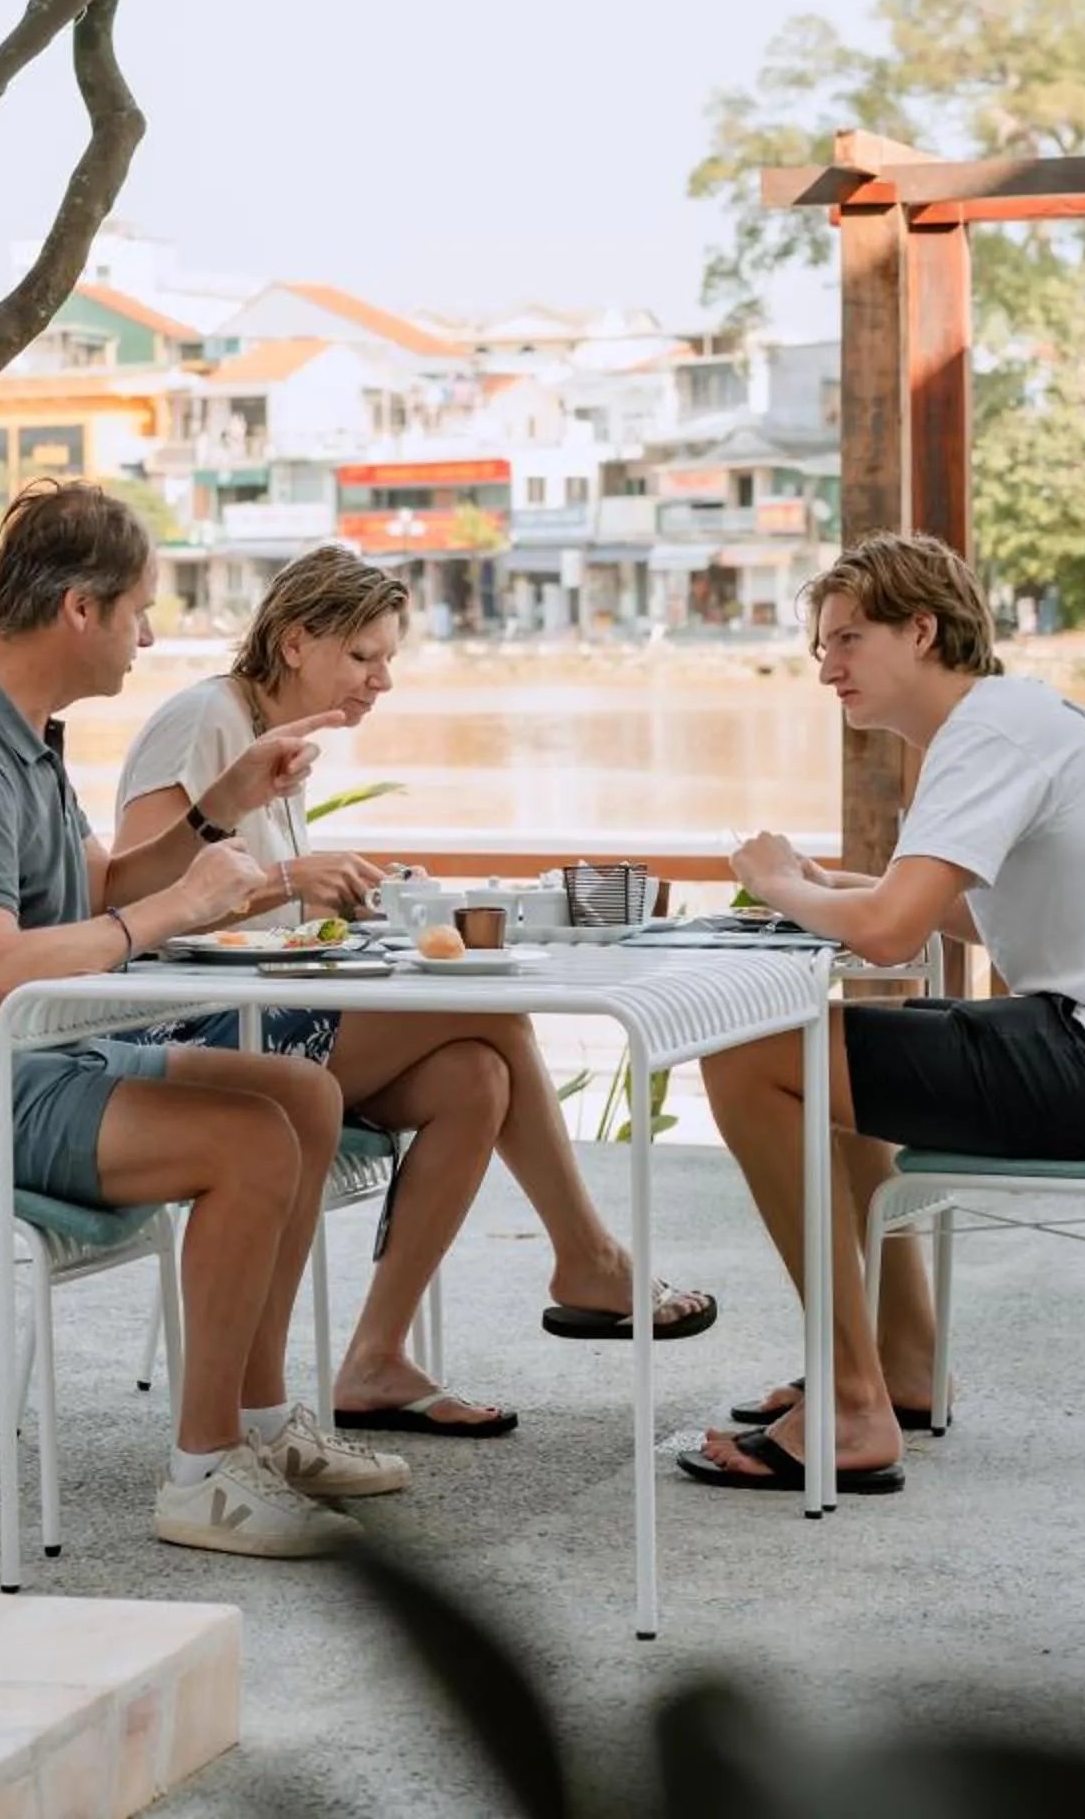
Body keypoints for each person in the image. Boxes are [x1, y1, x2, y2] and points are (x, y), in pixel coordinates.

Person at [0, 483, 406, 1559]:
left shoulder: (19, 729)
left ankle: (260, 1421)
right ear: (79, 610)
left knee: (303, 1093)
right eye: (140, 607)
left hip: (32, 1054)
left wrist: (213, 810)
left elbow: (92, 883)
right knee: (246, 1143)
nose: (152, 632)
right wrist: (169, 911)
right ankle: (201, 1477)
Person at [111, 546, 719, 1436]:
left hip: (270, 1011)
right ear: (293, 642)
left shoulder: (272, 735)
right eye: (364, 656)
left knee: (476, 1075)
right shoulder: (202, 719)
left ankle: (375, 1361)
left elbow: (266, 909)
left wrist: (348, 894)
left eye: (387, 659)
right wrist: (291, 881)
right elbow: (139, 897)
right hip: (196, 1028)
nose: (381, 680)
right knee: (493, 1011)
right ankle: (588, 1259)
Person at [676, 532, 1085, 1496]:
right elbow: (965, 910)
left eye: (847, 640)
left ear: (923, 630)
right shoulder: (1028, 720)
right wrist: (836, 886)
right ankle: (904, 1365)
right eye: (821, 647)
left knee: (745, 1058)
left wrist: (775, 882)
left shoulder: (987, 735)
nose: (826, 670)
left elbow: (890, 937)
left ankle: (852, 1407)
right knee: (831, 1067)